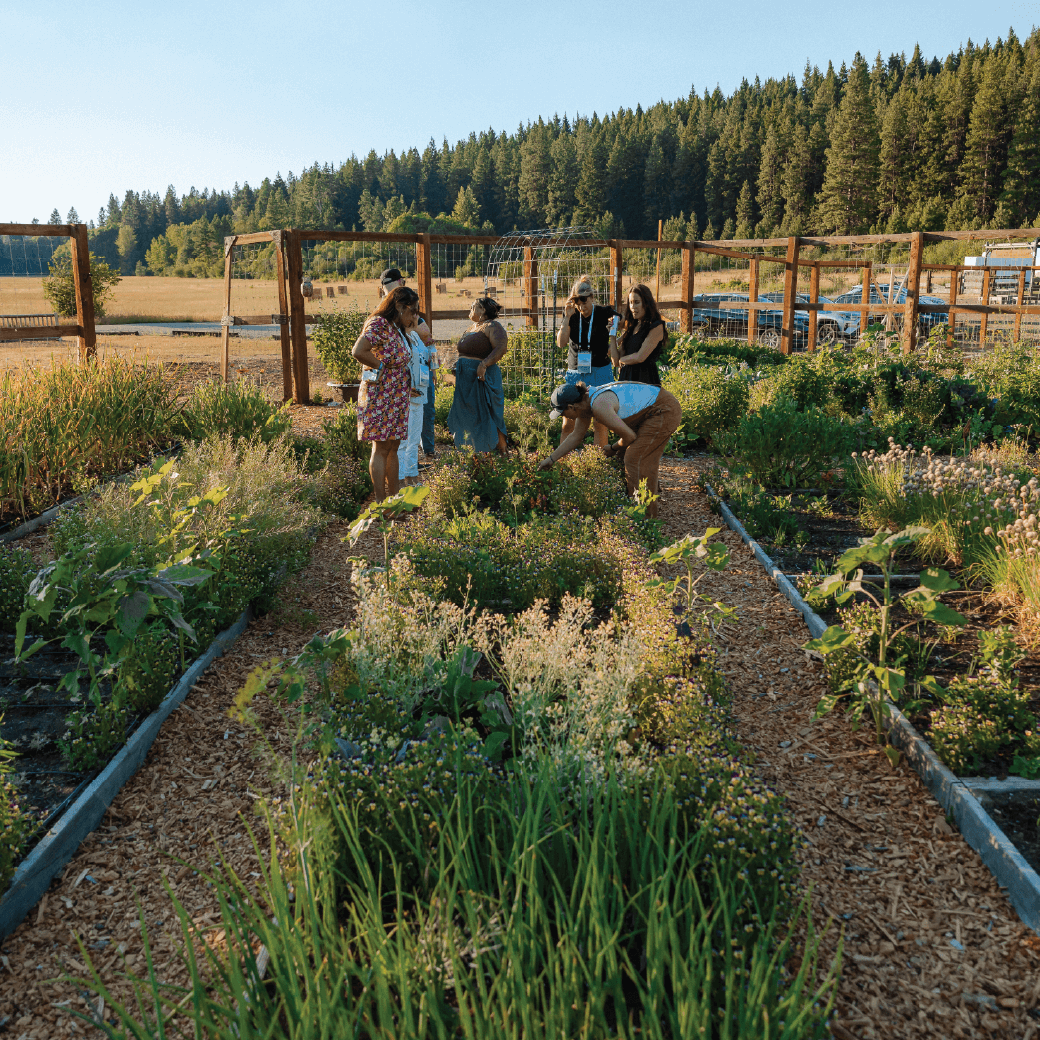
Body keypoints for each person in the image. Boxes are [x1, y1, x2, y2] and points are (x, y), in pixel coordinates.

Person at [538, 380, 681, 518]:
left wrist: (613, 447)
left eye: (562, 414)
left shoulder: (599, 406)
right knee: (625, 458)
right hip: (651, 412)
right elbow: (576, 436)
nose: (564, 417)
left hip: (663, 410)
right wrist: (551, 459)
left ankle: (645, 518)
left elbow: (629, 437)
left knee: (634, 459)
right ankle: (631, 506)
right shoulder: (585, 403)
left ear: (571, 407)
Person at [351, 286, 419, 501]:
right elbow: (358, 351)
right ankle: (381, 502)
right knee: (381, 447)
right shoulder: (379, 323)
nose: (415, 316)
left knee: (393, 445)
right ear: (399, 306)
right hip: (380, 394)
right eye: (413, 311)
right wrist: (380, 368)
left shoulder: (396, 326)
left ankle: (394, 499)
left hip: (396, 395)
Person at [380, 267, 438, 459]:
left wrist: (434, 367)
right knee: (415, 414)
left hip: (416, 369)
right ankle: (416, 458)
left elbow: (428, 341)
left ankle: (421, 453)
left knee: (420, 411)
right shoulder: (389, 315)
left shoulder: (391, 311)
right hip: (406, 374)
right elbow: (427, 338)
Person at [555, 277, 618, 448]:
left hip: (601, 372)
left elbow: (623, 322)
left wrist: (615, 333)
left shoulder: (605, 313)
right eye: (576, 300)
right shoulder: (571, 315)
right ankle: (563, 465)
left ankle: (598, 465)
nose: (581, 305)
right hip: (576, 372)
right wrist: (567, 318)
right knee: (568, 422)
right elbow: (561, 343)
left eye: (584, 299)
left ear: (592, 297)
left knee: (600, 422)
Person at [447, 297, 509, 454]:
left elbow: (501, 348)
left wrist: (484, 365)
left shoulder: (492, 326)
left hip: (482, 378)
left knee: (488, 413)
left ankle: (501, 452)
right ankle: (473, 451)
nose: (470, 308)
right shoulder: (472, 328)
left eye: (473, 306)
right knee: (469, 416)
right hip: (465, 381)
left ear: (483, 310)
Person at [397, 320, 433, 486]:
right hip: (405, 395)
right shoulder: (398, 336)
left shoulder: (415, 337)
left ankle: (412, 476)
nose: (419, 318)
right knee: (403, 441)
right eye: (414, 313)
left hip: (419, 393)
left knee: (413, 439)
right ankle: (399, 480)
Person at [614, 283, 666, 386]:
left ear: (646, 303)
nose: (633, 307)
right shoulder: (632, 327)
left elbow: (640, 357)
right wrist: (612, 334)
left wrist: (622, 361)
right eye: (630, 303)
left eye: (637, 302)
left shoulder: (656, 327)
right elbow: (615, 358)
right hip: (626, 379)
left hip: (644, 382)